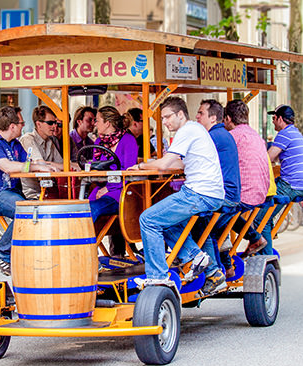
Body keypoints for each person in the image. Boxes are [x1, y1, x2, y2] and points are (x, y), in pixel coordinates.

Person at [128, 96, 225, 288]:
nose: (164, 122)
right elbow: (179, 163)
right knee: (165, 222)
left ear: (180, 114)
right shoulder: (196, 129)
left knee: (148, 219)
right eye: (162, 118)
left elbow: (164, 164)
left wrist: (140, 166)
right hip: (211, 193)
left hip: (199, 193)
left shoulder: (187, 130)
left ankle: (157, 276)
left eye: (167, 117)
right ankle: (196, 257)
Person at [0, 106, 59, 275]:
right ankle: (0, 253)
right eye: (22, 123)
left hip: (11, 193)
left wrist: (65, 166)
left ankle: (26, 257)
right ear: (12, 126)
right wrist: (37, 166)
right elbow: (6, 166)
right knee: (28, 211)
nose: (23, 126)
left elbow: (34, 162)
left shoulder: (14, 144)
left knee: (40, 210)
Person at [193, 99, 241, 294]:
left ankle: (214, 273)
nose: (197, 116)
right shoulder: (221, 134)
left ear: (213, 118)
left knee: (199, 222)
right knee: (208, 225)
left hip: (224, 196)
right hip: (229, 194)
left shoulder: (213, 137)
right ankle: (223, 268)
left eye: (201, 113)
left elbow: (189, 160)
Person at [252, 104, 303, 255]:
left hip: (291, 184)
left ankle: (265, 257)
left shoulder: (284, 134)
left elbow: (268, 158)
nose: (273, 121)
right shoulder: (296, 133)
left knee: (260, 219)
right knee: (267, 204)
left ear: (280, 119)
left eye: (274, 118)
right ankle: (268, 234)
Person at [222, 100, 271, 265]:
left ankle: (223, 267)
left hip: (244, 194)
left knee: (210, 220)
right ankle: (254, 237)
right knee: (226, 215)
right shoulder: (255, 135)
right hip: (261, 191)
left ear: (228, 118)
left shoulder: (231, 137)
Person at [88, 106, 139, 222]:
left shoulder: (128, 140)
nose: (95, 124)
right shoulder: (98, 142)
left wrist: (108, 188)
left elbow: (129, 172)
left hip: (122, 191)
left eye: (97, 120)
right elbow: (96, 168)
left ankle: (85, 240)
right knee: (81, 209)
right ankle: (88, 239)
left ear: (107, 123)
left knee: (92, 208)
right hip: (100, 188)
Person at [18, 106, 64, 199]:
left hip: (48, 191)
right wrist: (51, 165)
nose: (54, 126)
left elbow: (63, 165)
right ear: (38, 124)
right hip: (32, 194)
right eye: (50, 123)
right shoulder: (28, 139)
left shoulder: (50, 141)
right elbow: (40, 164)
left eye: (55, 123)